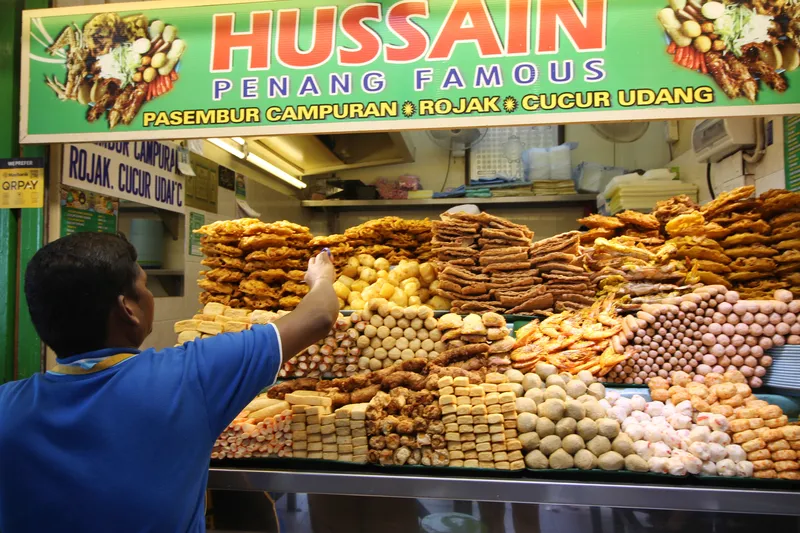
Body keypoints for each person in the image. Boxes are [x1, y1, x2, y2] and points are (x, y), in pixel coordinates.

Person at [0, 232, 339, 533]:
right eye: (144, 286)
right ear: (127, 309)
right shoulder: (189, 376)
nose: (150, 296)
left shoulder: (7, 407)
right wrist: (321, 277)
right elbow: (319, 316)